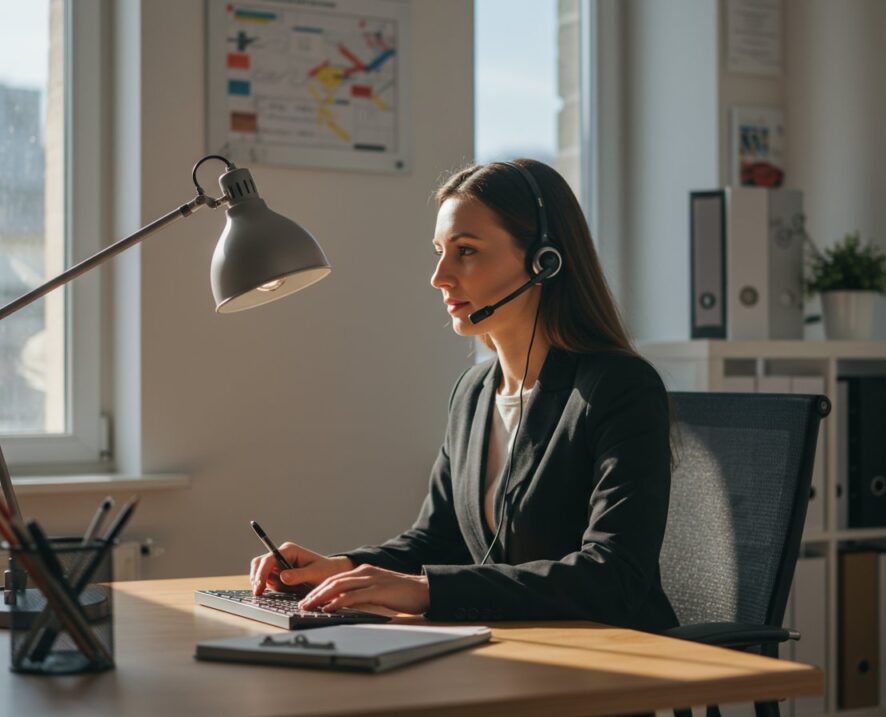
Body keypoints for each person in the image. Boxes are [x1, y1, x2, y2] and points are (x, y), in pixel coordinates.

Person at [250, 159, 678, 633]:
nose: (439, 276)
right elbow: (440, 539)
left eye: (466, 251)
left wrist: (428, 591)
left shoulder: (617, 387)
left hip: (615, 658)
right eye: (439, 251)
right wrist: (341, 567)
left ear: (544, 261)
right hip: (511, 647)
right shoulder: (475, 391)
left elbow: (615, 575)